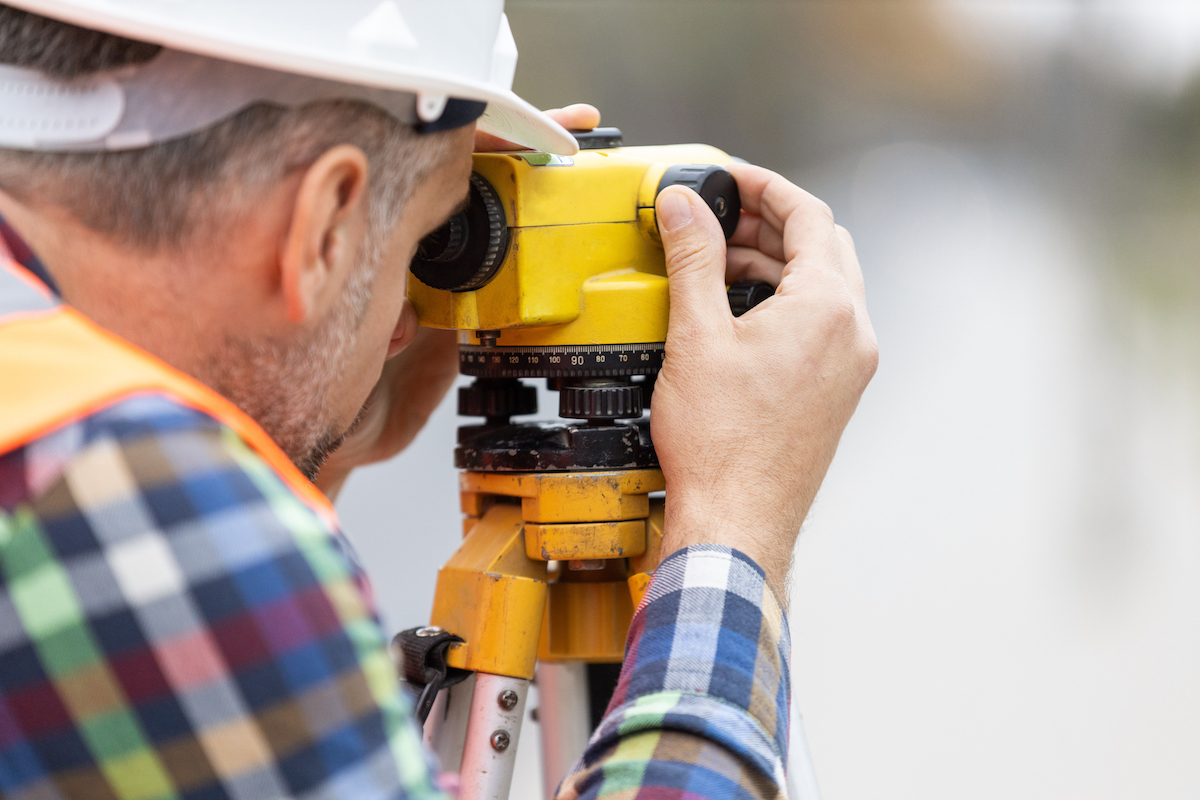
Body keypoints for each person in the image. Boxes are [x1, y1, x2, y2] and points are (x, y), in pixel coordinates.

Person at [0, 2, 878, 799]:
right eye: (423, 238)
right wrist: (732, 524)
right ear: (328, 221)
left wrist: (308, 427)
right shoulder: (122, 488)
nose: (406, 322)